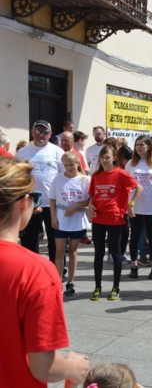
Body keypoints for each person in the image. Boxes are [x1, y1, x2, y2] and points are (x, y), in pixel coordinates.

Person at [0, 157, 90, 387]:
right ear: (23, 203)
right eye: (35, 197)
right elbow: (44, 367)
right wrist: (73, 367)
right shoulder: (34, 271)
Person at [87, 145, 142, 301]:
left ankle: (115, 287)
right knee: (98, 254)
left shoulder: (120, 174)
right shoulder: (96, 176)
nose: (104, 160)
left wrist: (131, 205)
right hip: (98, 219)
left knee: (115, 254)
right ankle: (97, 286)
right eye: (102, 158)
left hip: (115, 218)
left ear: (113, 158)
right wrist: (90, 204)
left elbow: (138, 188)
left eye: (107, 157)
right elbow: (92, 194)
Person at [15, 120, 64, 261]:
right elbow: (17, 176)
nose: (41, 135)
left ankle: (57, 268)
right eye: (38, 131)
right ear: (32, 132)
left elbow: (63, 176)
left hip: (52, 203)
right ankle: (32, 267)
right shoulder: (22, 153)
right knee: (29, 240)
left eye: (44, 132)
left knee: (55, 239)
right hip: (30, 202)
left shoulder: (57, 152)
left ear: (50, 134)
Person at [50, 152, 90, 296]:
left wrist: (76, 206)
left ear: (78, 163)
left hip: (77, 219)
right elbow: (53, 200)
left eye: (71, 164)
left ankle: (70, 282)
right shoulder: (58, 179)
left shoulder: (85, 180)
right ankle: (57, 281)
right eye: (66, 165)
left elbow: (89, 199)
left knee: (72, 250)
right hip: (61, 219)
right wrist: (53, 217)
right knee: (59, 250)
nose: (68, 168)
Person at [125, 135, 152, 280]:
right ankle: (134, 265)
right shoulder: (131, 164)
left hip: (151, 206)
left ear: (149, 147)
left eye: (142, 145)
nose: (139, 147)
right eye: (137, 145)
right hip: (135, 206)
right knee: (134, 237)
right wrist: (127, 205)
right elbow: (126, 186)